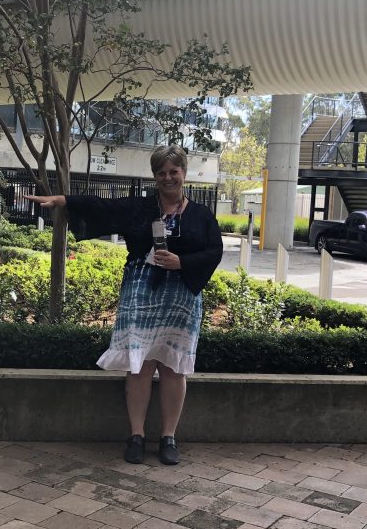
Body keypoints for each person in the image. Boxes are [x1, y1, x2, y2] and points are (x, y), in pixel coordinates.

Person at [25, 145, 222, 465]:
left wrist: (181, 262)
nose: (168, 177)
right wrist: (64, 200)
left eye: (174, 171)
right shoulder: (141, 208)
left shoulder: (201, 216)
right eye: (161, 172)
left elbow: (214, 252)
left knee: (173, 369)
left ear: (184, 172)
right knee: (140, 365)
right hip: (140, 292)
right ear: (154, 176)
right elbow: (104, 205)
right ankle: (136, 436)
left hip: (181, 297)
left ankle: (169, 437)